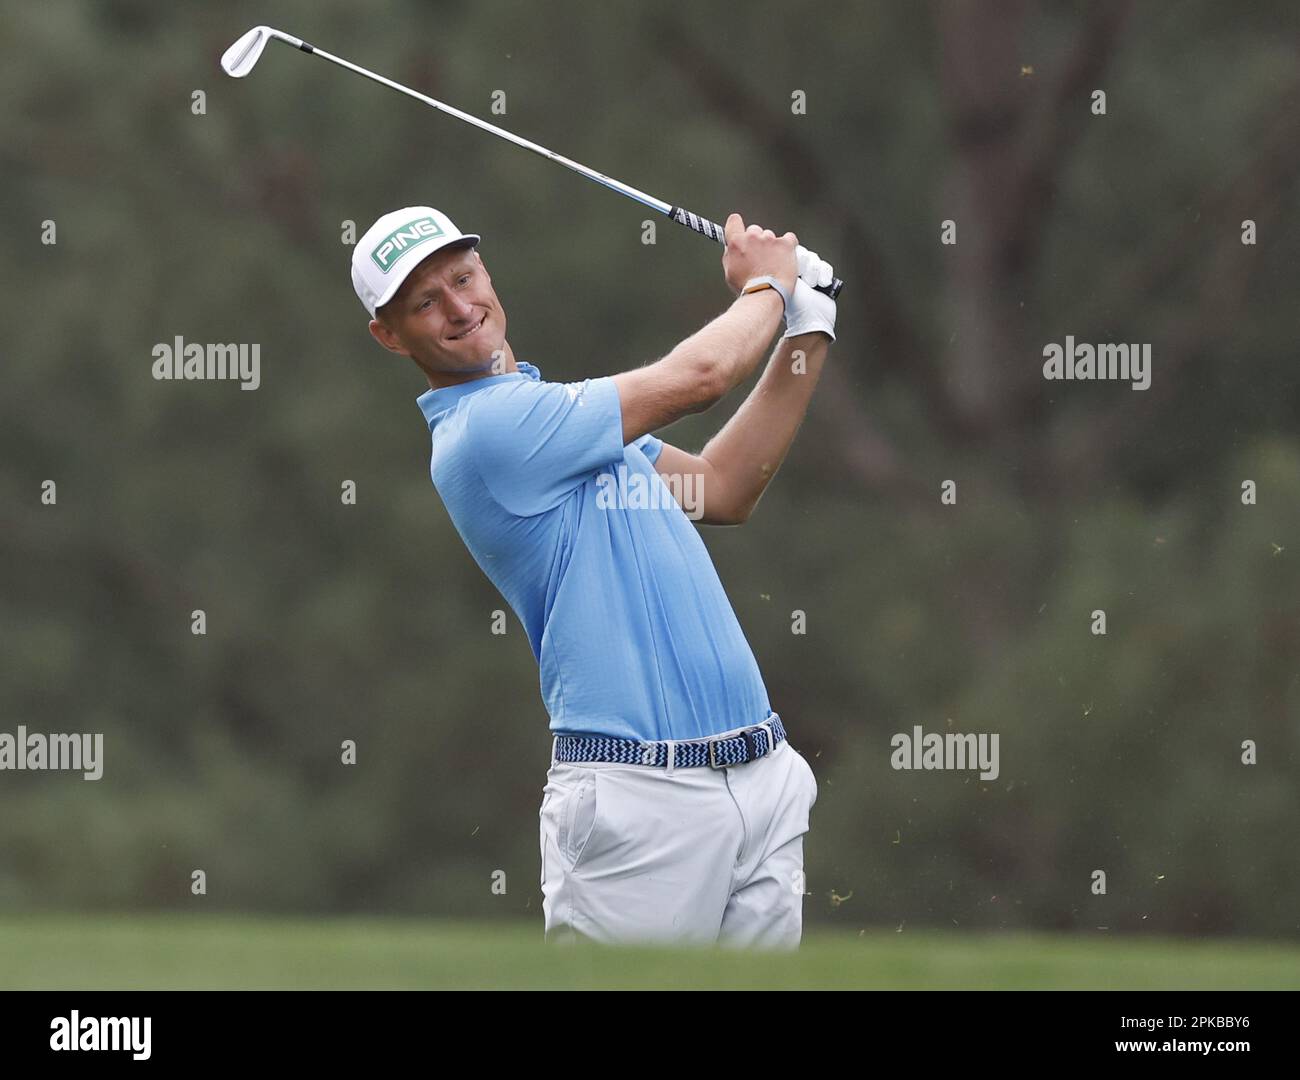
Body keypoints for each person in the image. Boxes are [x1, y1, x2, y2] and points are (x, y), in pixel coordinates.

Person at [351, 204, 836, 948]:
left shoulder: (559, 421)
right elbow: (701, 376)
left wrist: (809, 327)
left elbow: (723, 486)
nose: (459, 307)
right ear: (390, 336)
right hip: (636, 801)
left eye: (463, 277)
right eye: (425, 302)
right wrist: (767, 289)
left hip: (762, 777)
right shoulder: (487, 433)